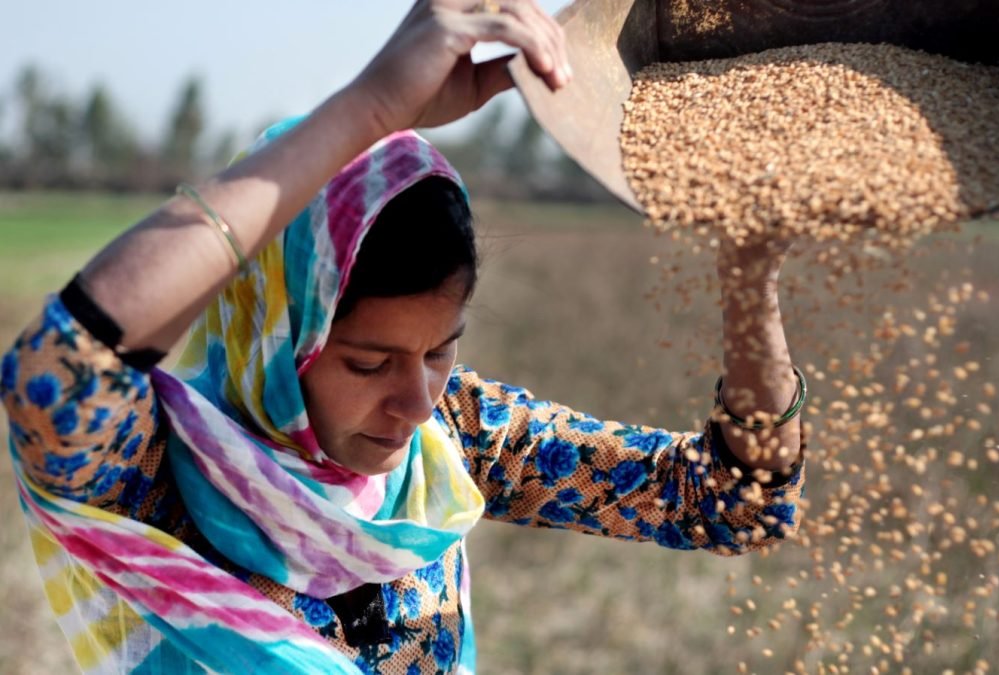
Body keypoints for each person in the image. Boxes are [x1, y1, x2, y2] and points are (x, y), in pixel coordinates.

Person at [1, 1, 806, 672]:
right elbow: (55, 373)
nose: (416, 400)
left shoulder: (455, 439)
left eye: (440, 350)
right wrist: (369, 110)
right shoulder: (162, 472)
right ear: (279, 342)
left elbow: (735, 505)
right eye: (367, 361)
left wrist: (750, 284)